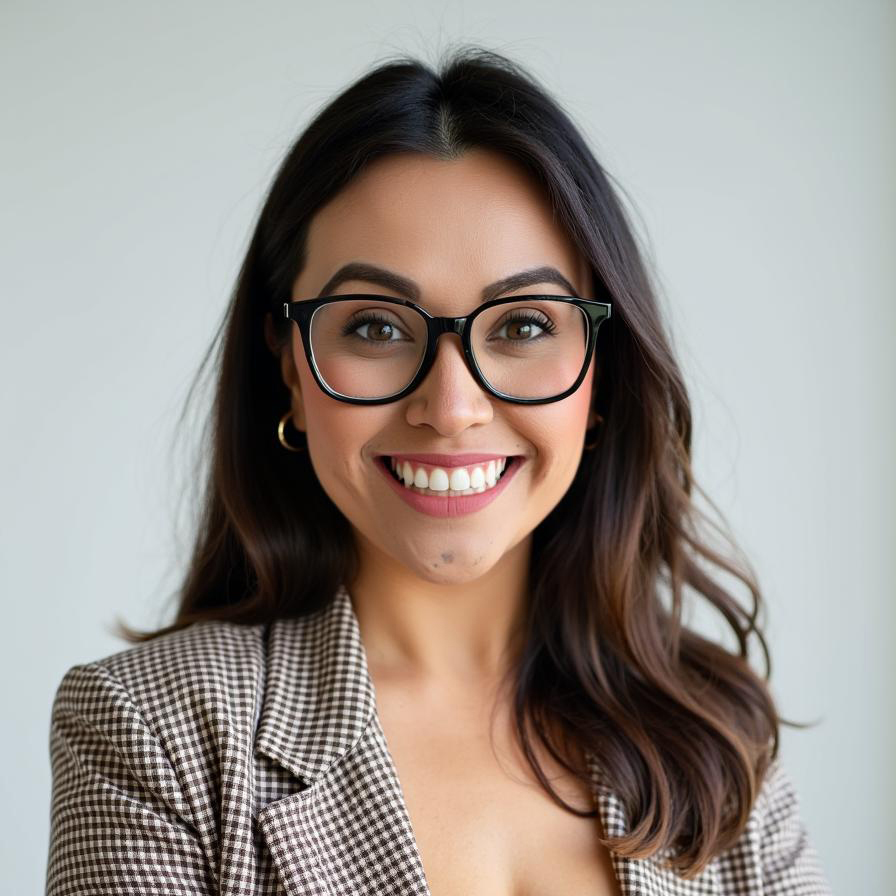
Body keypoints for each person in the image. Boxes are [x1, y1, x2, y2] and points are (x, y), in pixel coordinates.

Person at [45, 46, 833, 895]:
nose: (451, 406)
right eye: (377, 328)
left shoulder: (714, 742)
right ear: (291, 371)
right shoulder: (151, 731)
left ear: (600, 372)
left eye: (525, 325)